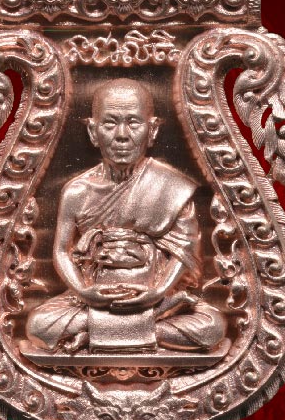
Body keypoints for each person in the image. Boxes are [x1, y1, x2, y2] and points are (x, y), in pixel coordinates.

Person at [26, 79, 227, 353]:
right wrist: (84, 292)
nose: (122, 135)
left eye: (133, 123)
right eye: (110, 123)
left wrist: (157, 293)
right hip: (94, 299)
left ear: (152, 131)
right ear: (93, 131)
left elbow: (184, 251)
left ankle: (97, 333)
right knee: (38, 325)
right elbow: (62, 251)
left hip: (157, 298)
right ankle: (140, 332)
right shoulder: (77, 192)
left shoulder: (172, 187)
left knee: (212, 326)